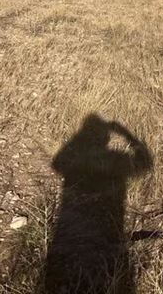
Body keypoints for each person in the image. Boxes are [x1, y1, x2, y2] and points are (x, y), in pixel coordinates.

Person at [43, 114, 152, 293]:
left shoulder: (78, 151)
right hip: (107, 222)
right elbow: (144, 165)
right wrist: (129, 137)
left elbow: (57, 164)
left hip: (70, 229)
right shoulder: (117, 158)